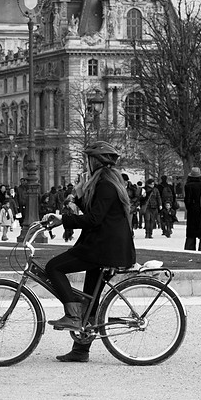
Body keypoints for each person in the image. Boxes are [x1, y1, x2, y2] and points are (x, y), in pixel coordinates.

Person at [39, 141, 135, 363]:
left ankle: (73, 315)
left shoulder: (105, 185)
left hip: (102, 249)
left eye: (89, 159)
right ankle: (81, 350)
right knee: (91, 300)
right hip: (105, 247)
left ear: (96, 161)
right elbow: (96, 213)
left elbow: (93, 219)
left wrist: (62, 219)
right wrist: (80, 197)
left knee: (54, 267)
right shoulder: (108, 182)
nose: (87, 163)